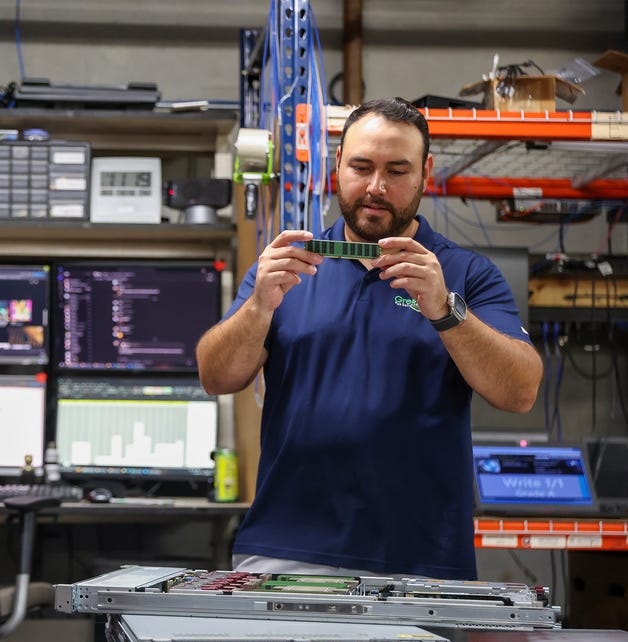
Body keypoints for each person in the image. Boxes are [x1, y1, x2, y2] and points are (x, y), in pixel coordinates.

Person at [196, 97, 543, 580]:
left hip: (422, 560)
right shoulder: (287, 265)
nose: (376, 188)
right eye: (361, 166)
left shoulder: (466, 274)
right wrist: (258, 307)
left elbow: (520, 391)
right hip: (286, 548)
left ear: (426, 172)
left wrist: (446, 310)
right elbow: (215, 376)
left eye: (397, 171)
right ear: (337, 165)